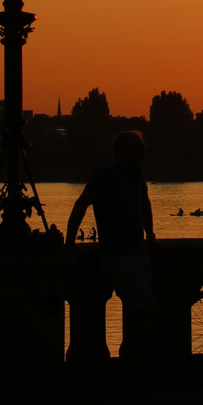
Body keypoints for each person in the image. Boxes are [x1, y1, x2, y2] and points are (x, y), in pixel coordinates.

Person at [66, 130, 160, 377]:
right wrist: (69, 242)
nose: (142, 151)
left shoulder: (138, 175)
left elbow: (145, 204)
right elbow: (80, 205)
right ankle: (146, 371)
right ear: (121, 151)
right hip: (117, 255)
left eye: (142, 147)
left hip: (138, 253)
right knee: (145, 311)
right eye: (137, 147)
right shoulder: (104, 176)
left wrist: (150, 235)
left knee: (138, 314)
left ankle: (137, 369)